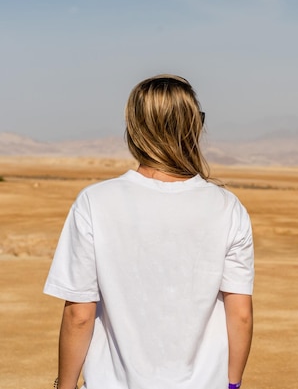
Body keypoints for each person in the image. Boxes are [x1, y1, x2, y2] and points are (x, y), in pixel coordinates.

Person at [44, 74, 254, 389]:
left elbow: (79, 314)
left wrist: (65, 385)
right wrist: (233, 384)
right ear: (194, 126)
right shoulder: (227, 207)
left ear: (135, 129)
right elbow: (240, 314)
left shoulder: (95, 202)